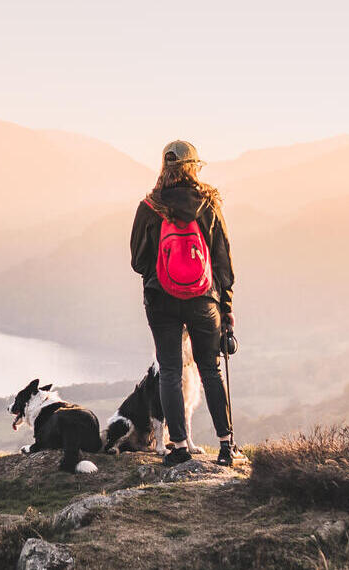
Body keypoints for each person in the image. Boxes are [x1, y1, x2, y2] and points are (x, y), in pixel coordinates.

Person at [130, 140, 246, 467]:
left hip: (160, 299)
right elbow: (223, 261)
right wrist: (227, 307)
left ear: (164, 167)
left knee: (169, 370)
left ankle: (178, 446)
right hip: (204, 299)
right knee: (210, 368)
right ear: (194, 166)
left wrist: (161, 269)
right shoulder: (208, 205)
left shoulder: (150, 206)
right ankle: (226, 445)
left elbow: (138, 261)